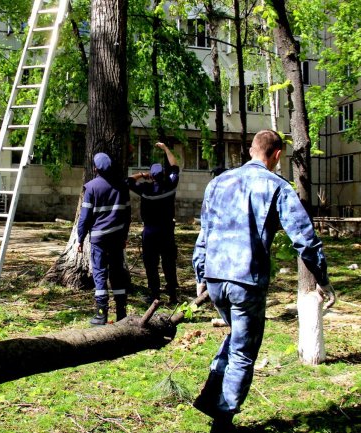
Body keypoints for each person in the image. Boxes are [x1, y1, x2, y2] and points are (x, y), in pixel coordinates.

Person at [191, 130, 334, 432]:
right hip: (246, 281)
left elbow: (205, 233)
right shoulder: (277, 186)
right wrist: (322, 279)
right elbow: (305, 239)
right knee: (243, 349)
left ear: (251, 150)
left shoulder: (218, 182)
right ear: (277, 155)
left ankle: (210, 394)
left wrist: (200, 275)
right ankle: (222, 419)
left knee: (236, 338)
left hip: (216, 278)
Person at [77, 152, 131, 326]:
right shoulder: (123, 186)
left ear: (95, 168)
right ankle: (122, 313)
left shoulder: (91, 187)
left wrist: (80, 238)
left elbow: (84, 218)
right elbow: (127, 215)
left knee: (100, 273)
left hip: (99, 239)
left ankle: (101, 314)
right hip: (116, 237)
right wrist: (124, 236)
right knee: (117, 273)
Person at [126, 141, 180, 305]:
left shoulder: (146, 190)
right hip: (167, 230)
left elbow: (127, 181)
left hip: (150, 232)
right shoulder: (170, 185)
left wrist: (142, 175)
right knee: (169, 263)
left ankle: (155, 295)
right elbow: (175, 166)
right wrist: (165, 148)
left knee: (151, 265)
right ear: (163, 174)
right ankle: (172, 295)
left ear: (152, 176)